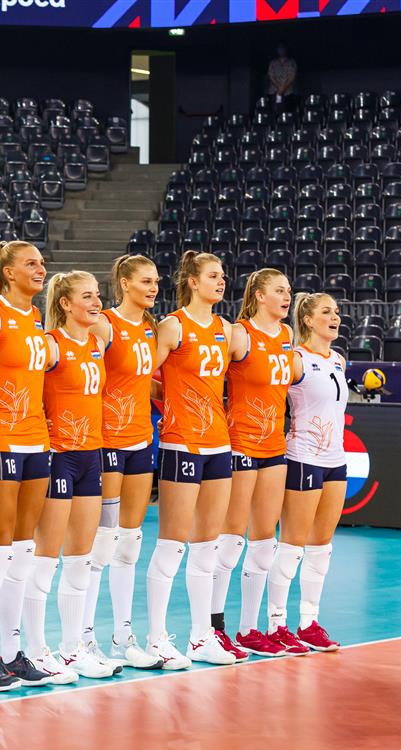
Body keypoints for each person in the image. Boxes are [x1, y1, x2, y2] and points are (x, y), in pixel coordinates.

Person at [0, 240, 54, 689]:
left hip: (36, 439)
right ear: (7, 271)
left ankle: (13, 652)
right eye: (30, 264)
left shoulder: (35, 317)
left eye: (42, 263)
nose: (40, 269)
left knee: (23, 552)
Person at [147, 250, 240, 668]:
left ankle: (201, 638)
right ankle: (155, 638)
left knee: (207, 547)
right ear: (192, 281)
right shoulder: (172, 326)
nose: (221, 282)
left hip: (219, 443)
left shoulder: (226, 329)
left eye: (223, 276)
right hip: (181, 443)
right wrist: (172, 400)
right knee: (172, 545)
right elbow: (142, 378)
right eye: (213, 275)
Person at [30, 271, 115, 681]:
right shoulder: (50, 345)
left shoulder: (97, 344)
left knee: (81, 559)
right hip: (58, 457)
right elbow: (22, 385)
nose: (96, 302)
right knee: (45, 558)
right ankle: (35, 650)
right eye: (87, 296)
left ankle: (72, 649)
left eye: (98, 295)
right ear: (65, 304)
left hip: (90, 456)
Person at [88, 255, 164, 671]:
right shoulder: (105, 324)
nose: (153, 288)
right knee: (102, 541)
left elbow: (142, 380)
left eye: (156, 282)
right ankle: (83, 640)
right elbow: (87, 375)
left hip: (140, 439)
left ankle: (122, 637)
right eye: (146, 281)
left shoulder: (150, 328)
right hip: (107, 441)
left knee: (130, 542)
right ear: (124, 283)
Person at [223, 269, 304, 657]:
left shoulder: (287, 335)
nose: (287, 296)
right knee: (230, 541)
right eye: (278, 290)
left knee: (264, 542)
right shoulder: (239, 335)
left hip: (274, 446)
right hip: (240, 443)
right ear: (258, 295)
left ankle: (248, 630)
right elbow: (204, 378)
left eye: (288, 290)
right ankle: (212, 629)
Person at [270, 293, 346, 654]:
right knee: (292, 545)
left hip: (336, 460)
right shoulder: (296, 360)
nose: (335, 317)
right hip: (303, 457)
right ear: (308, 320)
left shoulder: (339, 360)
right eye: (326, 312)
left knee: (321, 546)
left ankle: (309, 624)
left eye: (337, 312)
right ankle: (276, 625)